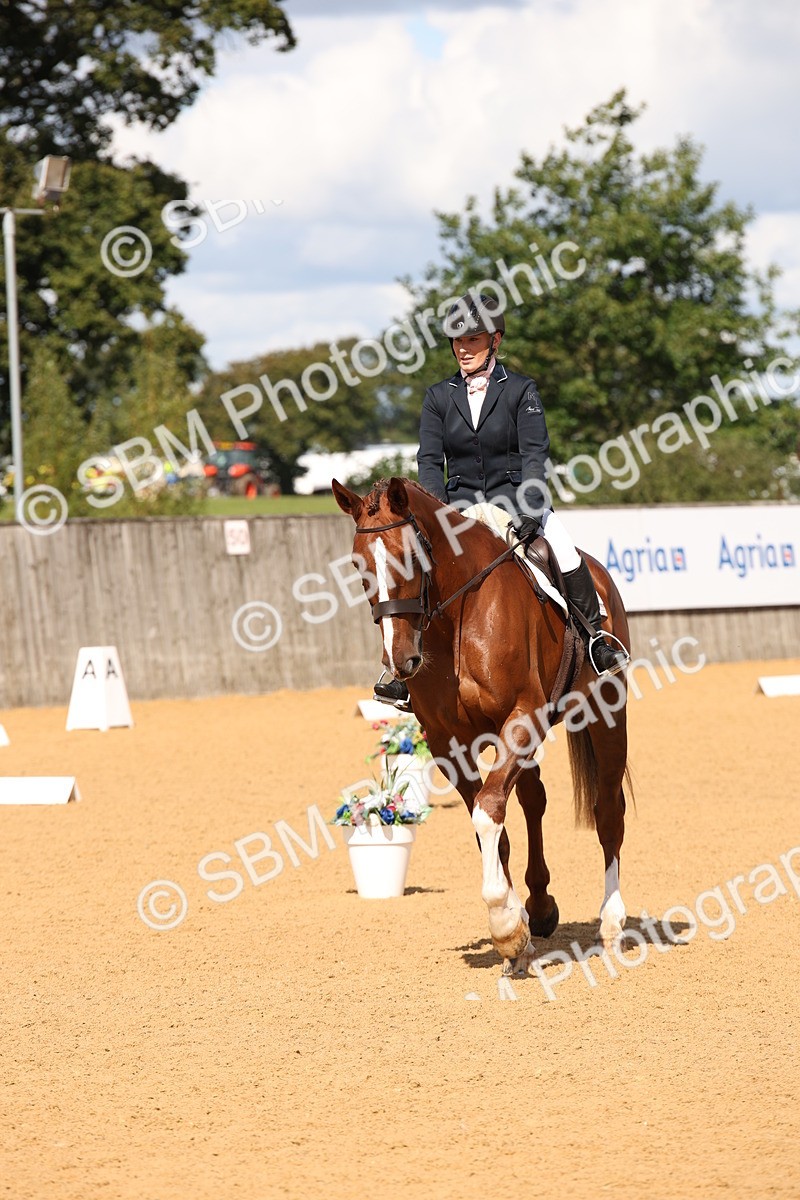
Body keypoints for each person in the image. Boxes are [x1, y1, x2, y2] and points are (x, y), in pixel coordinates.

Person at [374, 292, 629, 708]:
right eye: (456, 341)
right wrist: (436, 517)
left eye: (471, 340)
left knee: (561, 551)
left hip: (516, 505)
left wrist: (530, 511)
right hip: (459, 511)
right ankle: (402, 673)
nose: (462, 348)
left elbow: (534, 455)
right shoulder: (438, 397)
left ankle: (597, 638)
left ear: (495, 340)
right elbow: (428, 463)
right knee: (415, 573)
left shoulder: (521, 391)